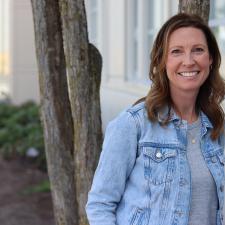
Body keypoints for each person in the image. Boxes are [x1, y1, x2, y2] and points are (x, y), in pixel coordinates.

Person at [86, 13, 225, 225]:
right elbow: (100, 204)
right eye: (176, 51)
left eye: (198, 50)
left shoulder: (217, 128)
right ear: (162, 61)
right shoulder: (133, 125)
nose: (188, 61)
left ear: (211, 59)